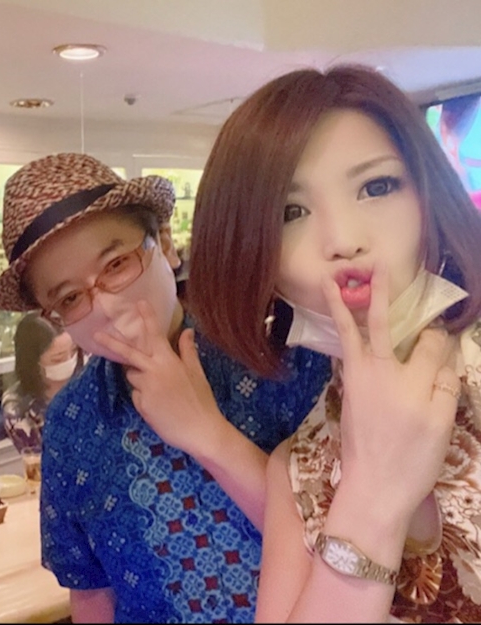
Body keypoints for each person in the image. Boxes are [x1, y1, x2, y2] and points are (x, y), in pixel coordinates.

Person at [184, 65, 481, 622]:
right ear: (258, 260)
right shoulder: (299, 470)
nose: (343, 241)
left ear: (430, 200)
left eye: (377, 187)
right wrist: (371, 498)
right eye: (290, 212)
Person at [0, 152, 331, 623]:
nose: (106, 306)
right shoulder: (70, 423)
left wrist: (207, 434)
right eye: (70, 297)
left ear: (164, 244)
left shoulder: (278, 350)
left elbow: (350, 551)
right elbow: (91, 593)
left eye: (116, 264)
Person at [1, 312, 84, 453]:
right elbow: (36, 459)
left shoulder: (89, 382)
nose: (70, 361)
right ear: (33, 362)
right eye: (58, 359)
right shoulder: (17, 407)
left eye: (74, 351)